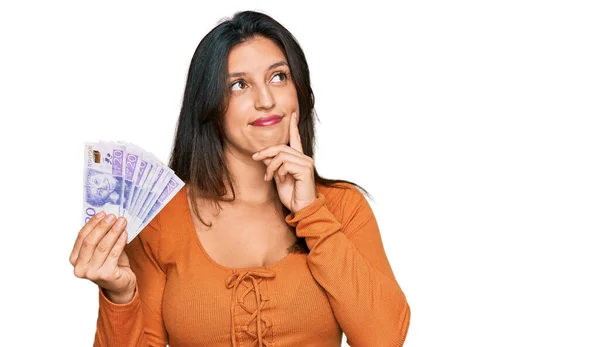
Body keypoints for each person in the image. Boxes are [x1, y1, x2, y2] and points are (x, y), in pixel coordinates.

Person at [70, 10, 410, 347]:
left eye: (279, 77)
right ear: (209, 105)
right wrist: (120, 296)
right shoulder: (161, 220)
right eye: (239, 85)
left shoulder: (342, 207)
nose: (266, 100)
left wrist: (312, 215)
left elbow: (384, 339)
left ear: (300, 92)